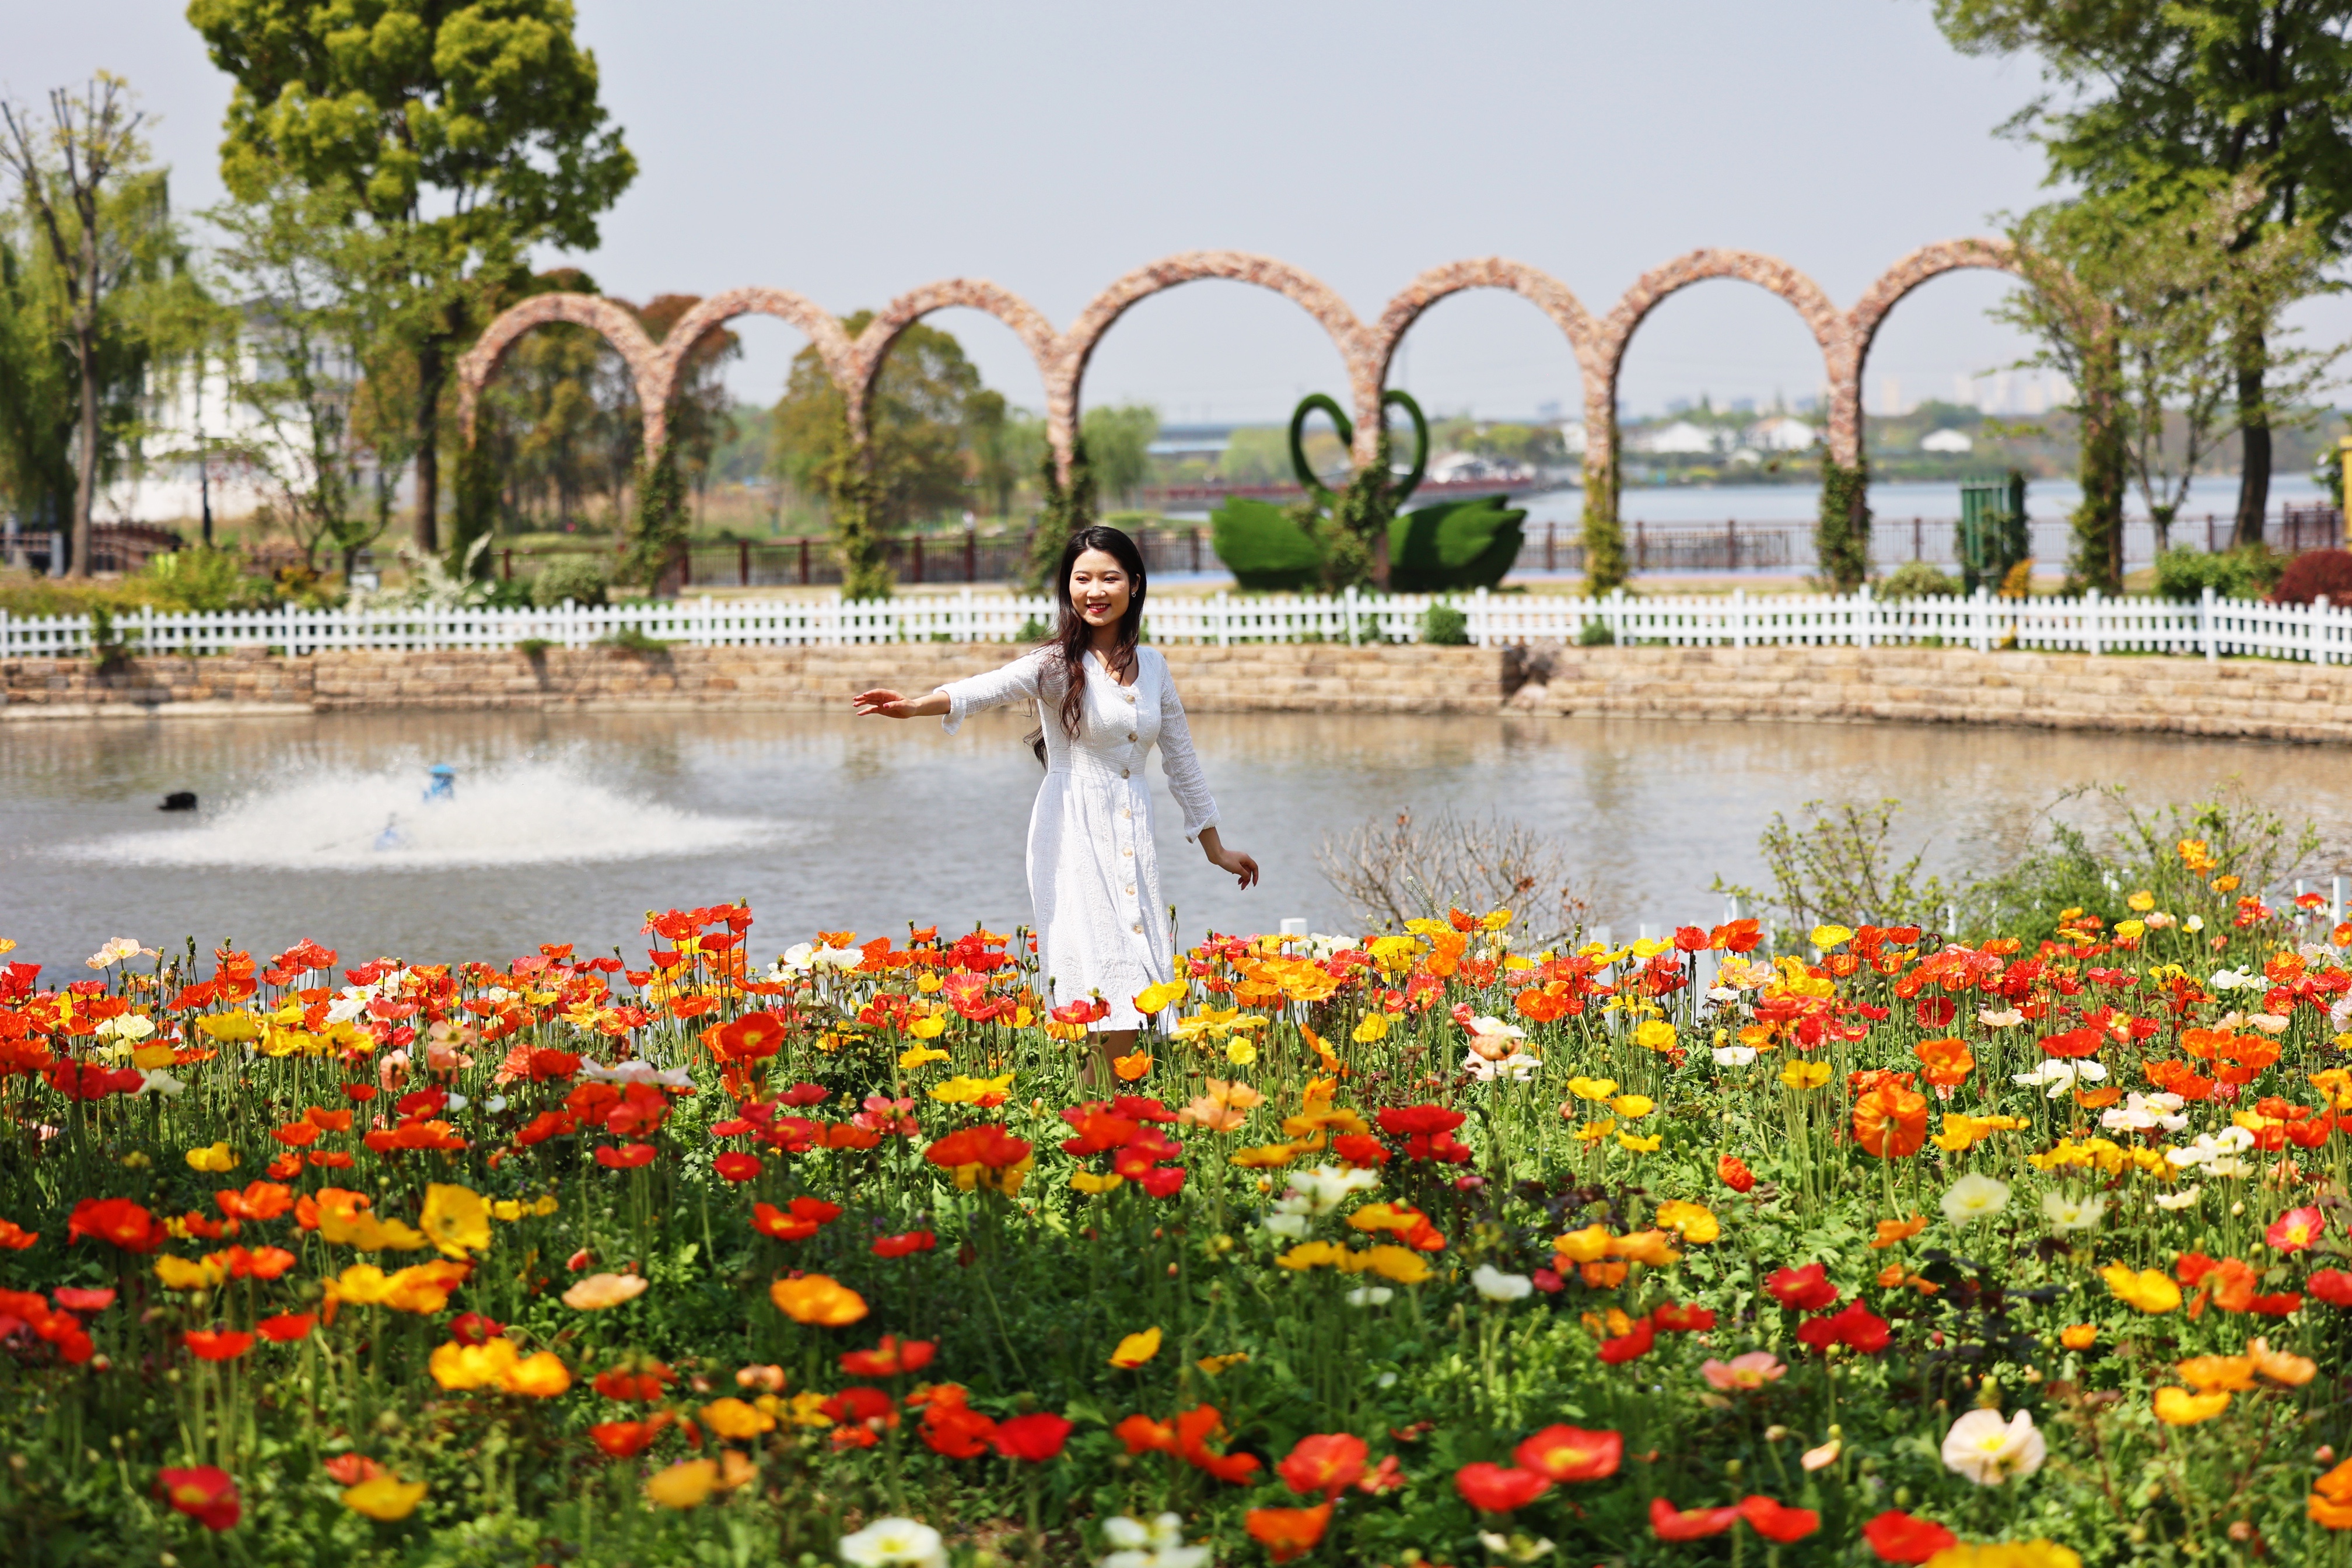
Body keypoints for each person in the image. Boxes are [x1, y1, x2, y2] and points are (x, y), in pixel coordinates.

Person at [855, 524, 1258, 1073]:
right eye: (1082, 577)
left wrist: (1215, 847)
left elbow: (1182, 762)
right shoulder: (1054, 664)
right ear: (1067, 586)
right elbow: (986, 686)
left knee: (1136, 990)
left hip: (1131, 831)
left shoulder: (1156, 668)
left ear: (1134, 585)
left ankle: (1099, 1111)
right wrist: (915, 705)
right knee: (1106, 981)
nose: (1095, 590)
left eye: (1109, 577)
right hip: (1073, 830)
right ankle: (1096, 1115)